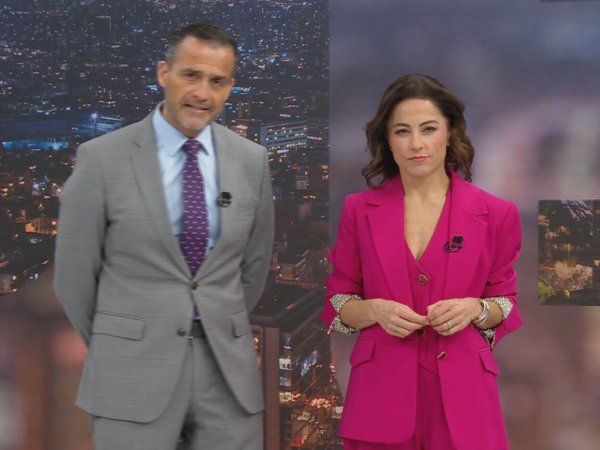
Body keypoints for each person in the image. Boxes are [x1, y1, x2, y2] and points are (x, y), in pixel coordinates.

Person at [54, 22, 273, 450]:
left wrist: (218, 319)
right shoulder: (101, 159)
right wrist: (119, 342)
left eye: (217, 81)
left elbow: (255, 265)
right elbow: (74, 279)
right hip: (130, 373)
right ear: (163, 74)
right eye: (191, 75)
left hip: (227, 375)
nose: (202, 93)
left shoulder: (252, 160)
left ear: (230, 88)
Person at [322, 74, 523, 450]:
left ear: (450, 133)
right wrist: (374, 310)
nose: (416, 144)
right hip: (379, 398)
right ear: (388, 141)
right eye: (402, 131)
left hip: (465, 399)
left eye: (428, 129)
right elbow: (337, 302)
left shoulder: (497, 214)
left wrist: (476, 309)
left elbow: (506, 304)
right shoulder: (358, 210)